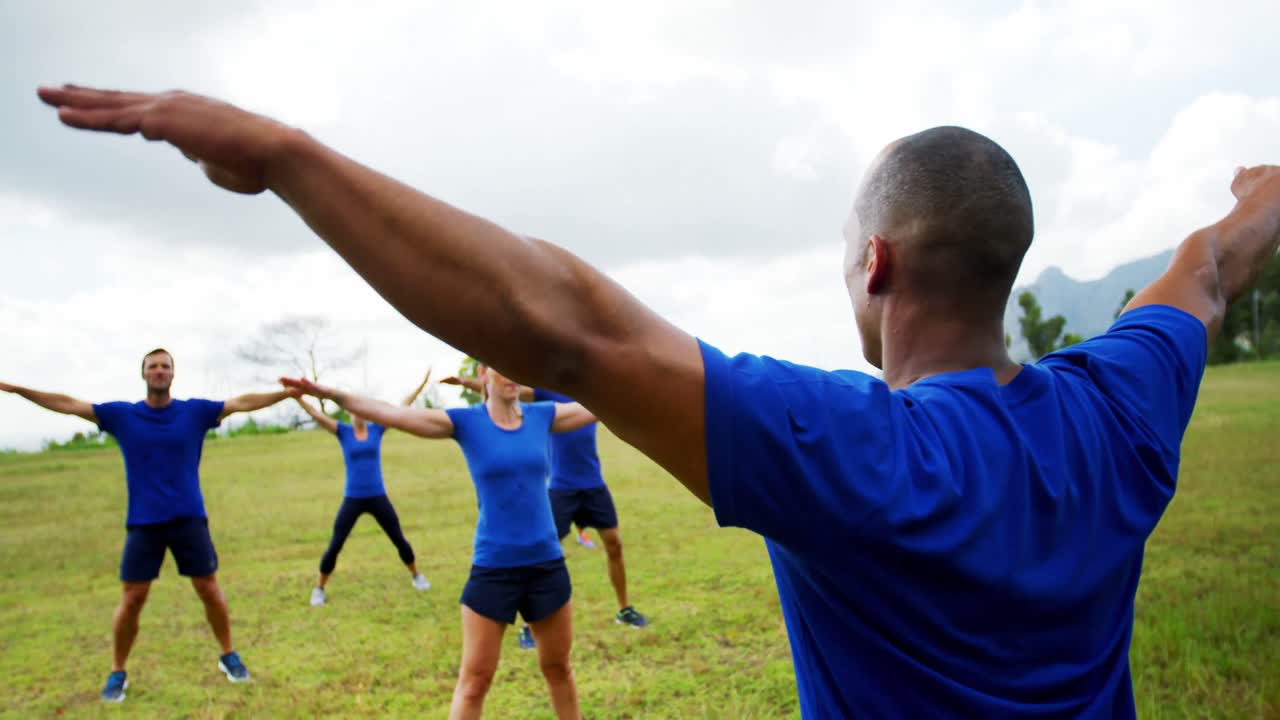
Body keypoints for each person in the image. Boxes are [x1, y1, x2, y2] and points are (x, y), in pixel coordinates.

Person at [36, 83, 1280, 717]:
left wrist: (288, 158)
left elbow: (568, 327)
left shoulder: (855, 453)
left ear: (874, 265)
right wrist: (1260, 192)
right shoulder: (1120, 402)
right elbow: (1210, 267)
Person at [283, 365, 597, 720]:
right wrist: (330, 395)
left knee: (559, 669)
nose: (512, 375)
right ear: (483, 373)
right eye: (501, 368)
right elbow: (394, 414)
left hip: (547, 566)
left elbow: (601, 405)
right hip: (494, 569)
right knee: (474, 682)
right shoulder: (466, 422)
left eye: (516, 367)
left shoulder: (543, 415)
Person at [1, 347, 293, 702]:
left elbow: (241, 403)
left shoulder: (195, 412)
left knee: (209, 589)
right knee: (133, 598)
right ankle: (117, 672)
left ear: (173, 373)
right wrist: (18, 390)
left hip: (189, 518)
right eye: (153, 366)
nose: (159, 370)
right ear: (143, 374)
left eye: (165, 366)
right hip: (144, 522)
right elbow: (68, 404)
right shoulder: (122, 415)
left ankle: (228, 654)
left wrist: (287, 394)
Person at [442, 376, 649, 643]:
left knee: (614, 543)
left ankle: (624, 609)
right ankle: (529, 625)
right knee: (543, 554)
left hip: (593, 484)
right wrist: (465, 382)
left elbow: (618, 397)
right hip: (561, 487)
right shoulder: (547, 395)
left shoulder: (590, 391)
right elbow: (506, 387)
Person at [293, 370, 433, 606]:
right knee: (335, 544)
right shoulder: (342, 431)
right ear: (349, 412)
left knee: (398, 539)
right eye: (354, 410)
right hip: (353, 498)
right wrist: (298, 398)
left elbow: (401, 408)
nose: (357, 413)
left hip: (378, 496)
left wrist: (422, 384)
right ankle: (319, 588)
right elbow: (317, 415)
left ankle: (417, 576)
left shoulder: (377, 429)